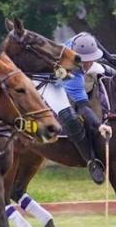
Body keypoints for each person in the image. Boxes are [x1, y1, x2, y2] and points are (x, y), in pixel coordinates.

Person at [37, 31, 106, 184]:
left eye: (91, 59)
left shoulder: (78, 41)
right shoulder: (73, 75)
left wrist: (108, 57)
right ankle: (91, 161)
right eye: (85, 61)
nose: (88, 64)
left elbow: (88, 37)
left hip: (62, 67)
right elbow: (83, 107)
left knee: (108, 71)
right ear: (75, 56)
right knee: (71, 119)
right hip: (46, 81)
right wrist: (99, 125)